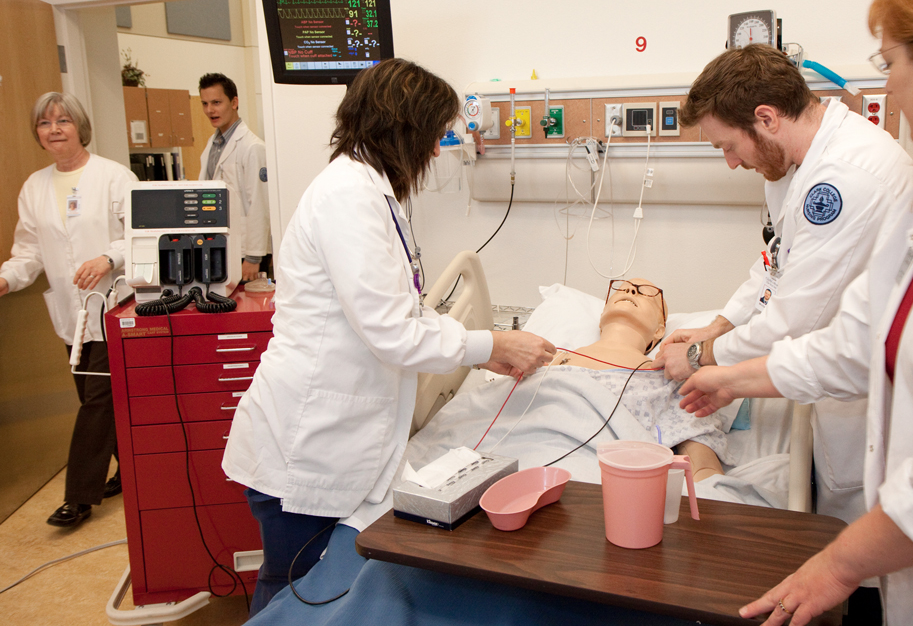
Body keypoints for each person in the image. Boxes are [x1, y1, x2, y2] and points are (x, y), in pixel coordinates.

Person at [677, 0, 913, 622]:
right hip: (908, 518)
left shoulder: (852, 177)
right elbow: (848, 335)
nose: (888, 88)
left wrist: (840, 561)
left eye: (890, 64)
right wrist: (727, 368)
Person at [220, 58, 556, 616]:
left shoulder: (374, 195)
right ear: (403, 128)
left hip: (339, 436)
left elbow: (405, 313)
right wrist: (490, 344)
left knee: (306, 588)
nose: (434, 151)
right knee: (291, 589)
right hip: (308, 444)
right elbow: (391, 331)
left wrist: (479, 351)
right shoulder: (346, 199)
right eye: (434, 136)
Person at [653, 43, 913, 524]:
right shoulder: (791, 166)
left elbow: (793, 320)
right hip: (832, 376)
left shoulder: (843, 180)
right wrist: (717, 327)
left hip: (871, 397)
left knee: (866, 556)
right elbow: (774, 266)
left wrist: (696, 358)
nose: (730, 162)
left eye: (728, 146)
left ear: (767, 118)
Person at [0, 92, 135, 527]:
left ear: (79, 126)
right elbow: (29, 252)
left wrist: (108, 258)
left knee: (96, 402)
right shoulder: (34, 187)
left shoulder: (114, 177)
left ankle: (78, 496)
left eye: (62, 121)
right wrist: (6, 278)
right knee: (98, 400)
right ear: (38, 134)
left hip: (111, 306)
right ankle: (132, 473)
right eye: (45, 123)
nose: (54, 129)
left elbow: (140, 236)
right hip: (68, 315)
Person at [557, 278, 724, 480]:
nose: (630, 291)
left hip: (604, 485)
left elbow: (704, 470)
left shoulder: (668, 379)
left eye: (646, 294)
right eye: (623, 288)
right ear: (601, 316)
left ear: (659, 330)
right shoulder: (544, 358)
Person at [197, 72, 270, 282]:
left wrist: (254, 257)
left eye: (217, 102)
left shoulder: (252, 147)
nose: (210, 110)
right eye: (205, 103)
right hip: (219, 245)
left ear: (234, 102)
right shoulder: (213, 145)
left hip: (246, 252)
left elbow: (259, 202)